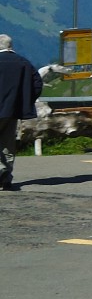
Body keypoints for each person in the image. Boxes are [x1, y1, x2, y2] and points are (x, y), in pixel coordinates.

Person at [0, 33, 43, 191]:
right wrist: (26, 100)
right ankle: (5, 177)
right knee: (7, 144)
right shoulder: (24, 63)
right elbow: (37, 84)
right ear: (10, 46)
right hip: (12, 111)